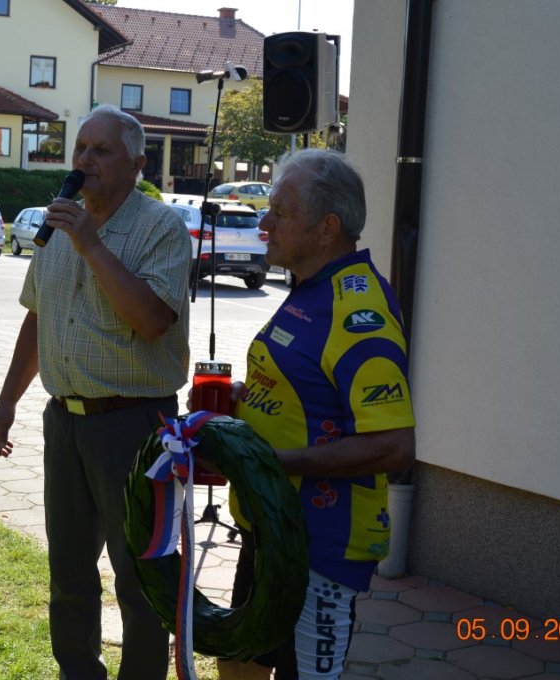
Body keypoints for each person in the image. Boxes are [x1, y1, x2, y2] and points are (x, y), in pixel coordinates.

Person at [0, 104, 192, 680]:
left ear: (138, 164)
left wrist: (92, 246)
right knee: (69, 571)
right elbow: (38, 317)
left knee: (139, 574)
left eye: (102, 150)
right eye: (81, 148)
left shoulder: (160, 227)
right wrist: (8, 400)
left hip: (135, 425)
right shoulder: (59, 223)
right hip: (66, 423)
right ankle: (77, 672)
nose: (85, 160)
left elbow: (153, 320)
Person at [218, 149, 416, 680]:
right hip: (270, 525)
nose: (264, 223)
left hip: (319, 548)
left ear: (327, 228)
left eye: (280, 212)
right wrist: (243, 400)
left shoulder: (357, 311)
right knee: (236, 664)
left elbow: (394, 445)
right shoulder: (312, 287)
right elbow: (310, 390)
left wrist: (273, 462)